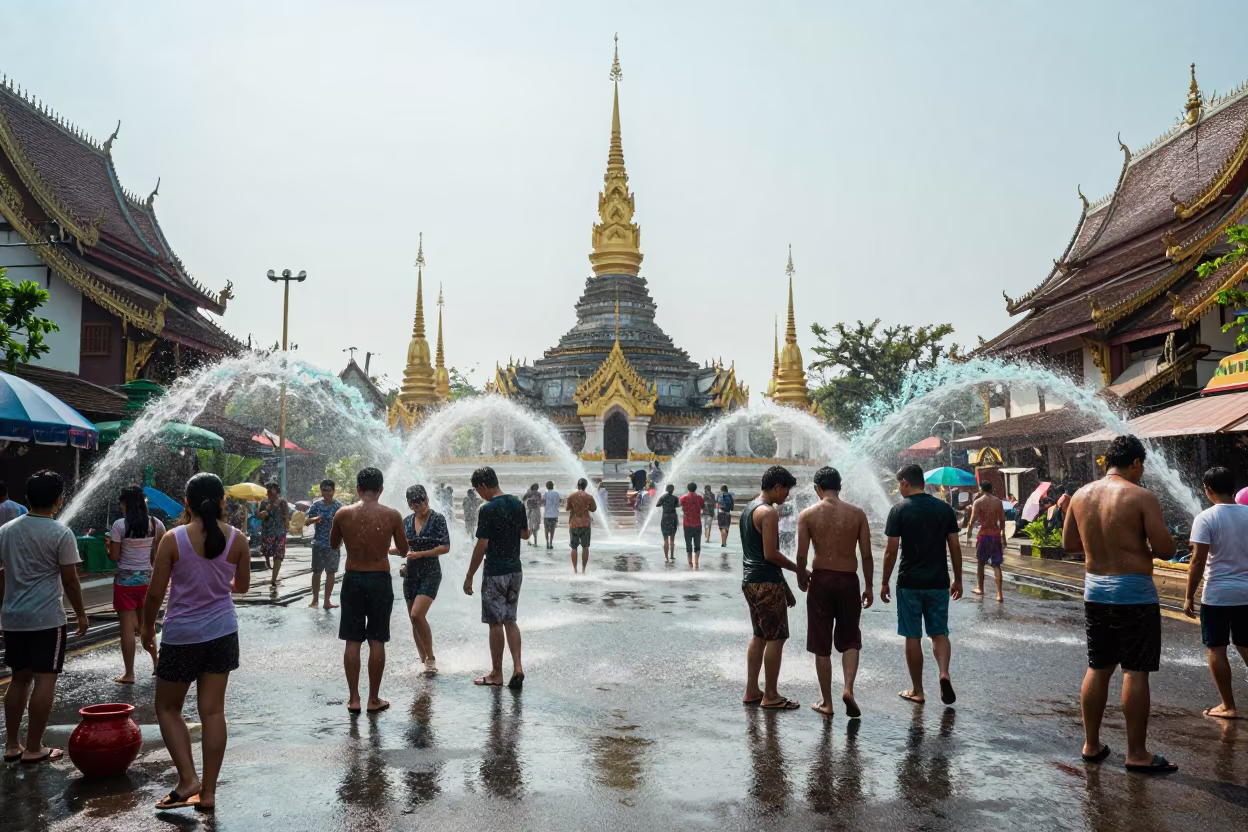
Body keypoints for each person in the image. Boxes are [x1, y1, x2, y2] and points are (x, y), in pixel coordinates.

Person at [1064, 435, 1176, 773]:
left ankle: (1091, 744)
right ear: (1136, 464)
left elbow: (1070, 543)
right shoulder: (1141, 496)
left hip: (1095, 591)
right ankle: (1137, 753)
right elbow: (1168, 550)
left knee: (1098, 667)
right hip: (1134, 593)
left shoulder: (1082, 495)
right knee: (1135, 671)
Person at [142, 472, 250, 811]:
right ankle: (208, 794)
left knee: (168, 708)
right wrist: (216, 582)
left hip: (182, 636)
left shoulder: (173, 539)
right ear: (223, 502)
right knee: (213, 712)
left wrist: (147, 630)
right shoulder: (238, 540)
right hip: (222, 632)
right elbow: (242, 587)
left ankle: (188, 778)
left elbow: (155, 593)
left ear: (186, 503)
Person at [1, 470, 88, 765]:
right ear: (59, 501)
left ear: (27, 498)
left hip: (13, 618)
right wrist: (80, 613)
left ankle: (12, 745)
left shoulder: (6, 530)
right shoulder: (61, 533)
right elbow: (71, 580)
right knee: (44, 680)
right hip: (47, 619)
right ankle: (35, 747)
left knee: (18, 678)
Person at [881, 463, 963, 706]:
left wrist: (884, 582)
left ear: (905, 482)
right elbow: (955, 548)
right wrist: (957, 578)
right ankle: (944, 673)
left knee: (912, 636)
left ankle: (917, 690)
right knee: (939, 633)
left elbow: (891, 551)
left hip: (909, 582)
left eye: (899, 484)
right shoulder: (944, 509)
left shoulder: (899, 510)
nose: (899, 488)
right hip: (938, 581)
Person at [330, 467, 408, 715]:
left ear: (358, 488)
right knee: (377, 639)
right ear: (381, 490)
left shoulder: (343, 513)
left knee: (352, 641)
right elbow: (404, 551)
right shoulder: (392, 515)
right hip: (379, 580)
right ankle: (373, 698)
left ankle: (354, 698)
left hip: (353, 578)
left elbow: (333, 544)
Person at [797, 466, 872, 718]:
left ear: (817, 488)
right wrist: (870, 586)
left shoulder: (807, 515)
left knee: (821, 644)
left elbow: (801, 554)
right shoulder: (857, 514)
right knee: (851, 639)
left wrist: (800, 576)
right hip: (849, 580)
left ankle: (827, 703)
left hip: (821, 580)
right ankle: (848, 689)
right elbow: (867, 555)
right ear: (840, 487)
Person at [1183, 466, 1248, 720]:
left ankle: (1228, 706)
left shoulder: (1205, 518)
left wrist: (1189, 596)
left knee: (1217, 649)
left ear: (1208, 489)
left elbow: (1197, 561)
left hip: (1217, 595)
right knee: (1246, 644)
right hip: (1246, 594)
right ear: (1234, 488)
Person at [740, 465, 806, 710]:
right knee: (776, 638)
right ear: (777, 486)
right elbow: (771, 554)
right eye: (786, 491)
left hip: (750, 581)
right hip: (766, 582)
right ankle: (771, 695)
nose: (786, 497)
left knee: (759, 635)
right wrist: (798, 569)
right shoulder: (767, 512)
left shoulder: (749, 508)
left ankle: (751, 690)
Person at [463, 466, 528, 689]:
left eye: (477, 489)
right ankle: (518, 666)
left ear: (482, 485)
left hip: (495, 573)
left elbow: (482, 545)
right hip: (515, 571)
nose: (479, 494)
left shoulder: (487, 509)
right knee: (511, 619)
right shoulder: (517, 503)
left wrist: (469, 575)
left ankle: (497, 674)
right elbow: (525, 534)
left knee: (495, 623)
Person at [107, 485, 166, 684]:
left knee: (126, 630)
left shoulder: (119, 525)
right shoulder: (156, 524)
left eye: (121, 503)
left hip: (125, 583)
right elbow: (157, 555)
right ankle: (157, 664)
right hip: (147, 581)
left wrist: (108, 549)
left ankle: (129, 674)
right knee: (146, 626)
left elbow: (115, 557)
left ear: (125, 503)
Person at [397, 485, 449, 675]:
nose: (418, 508)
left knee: (417, 615)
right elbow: (402, 549)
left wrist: (421, 554)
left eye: (421, 503)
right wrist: (382, 549)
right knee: (414, 620)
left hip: (431, 572)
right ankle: (423, 661)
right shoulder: (407, 521)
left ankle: (431, 658)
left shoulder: (437, 519)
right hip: (410, 574)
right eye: (414, 505)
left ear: (427, 500)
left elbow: (445, 547)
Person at [303, 479, 344, 610]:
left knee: (331, 572)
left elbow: (344, 525)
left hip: (333, 544)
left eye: (329, 490)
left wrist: (342, 539)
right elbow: (307, 522)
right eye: (324, 490)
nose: (326, 493)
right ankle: (315, 599)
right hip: (319, 543)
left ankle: (327, 601)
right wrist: (316, 518)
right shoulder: (316, 505)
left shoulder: (339, 506)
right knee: (317, 571)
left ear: (333, 491)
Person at [966, 482, 1005, 603]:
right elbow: (1002, 520)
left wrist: (968, 534)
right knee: (996, 565)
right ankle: (999, 594)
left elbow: (972, 521)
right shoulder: (998, 502)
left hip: (984, 535)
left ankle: (980, 588)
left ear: (981, 489)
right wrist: (1003, 533)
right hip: (995, 535)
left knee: (980, 563)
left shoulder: (978, 502)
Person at [257, 481, 289, 588]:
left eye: (271, 491)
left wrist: (287, 525)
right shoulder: (264, 503)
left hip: (280, 533)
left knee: (278, 556)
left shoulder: (283, 502)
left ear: (277, 492)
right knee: (267, 552)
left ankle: (273, 579)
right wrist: (266, 512)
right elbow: (260, 516)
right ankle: (267, 559)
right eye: (268, 492)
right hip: (267, 533)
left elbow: (287, 516)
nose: (269, 494)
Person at [566, 478, 597, 573]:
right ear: (585, 486)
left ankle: (575, 570)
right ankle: (583, 569)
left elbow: (567, 508)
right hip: (585, 524)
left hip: (574, 523)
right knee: (585, 546)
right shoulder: (589, 497)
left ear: (577, 485)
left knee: (574, 547)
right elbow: (593, 509)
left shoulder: (571, 496)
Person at [679, 482, 705, 567]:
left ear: (688, 488)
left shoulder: (683, 498)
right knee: (697, 543)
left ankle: (690, 562)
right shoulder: (700, 498)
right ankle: (696, 563)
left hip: (687, 524)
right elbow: (703, 507)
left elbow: (681, 506)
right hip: (697, 524)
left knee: (688, 543)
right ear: (695, 488)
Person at [656, 484, 680, 561]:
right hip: (673, 518)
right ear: (673, 490)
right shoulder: (675, 498)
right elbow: (678, 505)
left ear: (666, 489)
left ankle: (666, 557)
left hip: (665, 518)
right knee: (672, 539)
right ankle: (672, 556)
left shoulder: (663, 497)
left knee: (665, 539)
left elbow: (657, 505)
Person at [522, 483, 543, 548]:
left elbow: (523, 500)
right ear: (537, 488)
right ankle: (535, 542)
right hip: (536, 511)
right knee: (535, 527)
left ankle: (529, 540)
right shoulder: (538, 494)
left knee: (530, 526)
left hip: (529, 511)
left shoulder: (528, 493)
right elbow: (539, 502)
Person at [542, 480, 560, 550]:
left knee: (546, 529)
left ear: (546, 487)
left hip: (547, 515)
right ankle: (551, 542)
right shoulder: (556, 494)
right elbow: (558, 502)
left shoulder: (545, 494)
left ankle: (547, 543)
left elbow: (543, 503)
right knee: (552, 529)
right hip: (554, 514)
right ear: (553, 486)